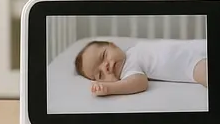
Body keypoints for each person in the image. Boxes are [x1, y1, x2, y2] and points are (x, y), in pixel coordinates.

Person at [74, 38, 208, 97]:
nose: (106, 67)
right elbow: (139, 82)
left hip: (194, 46)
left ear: (113, 45)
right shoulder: (128, 70)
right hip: (189, 64)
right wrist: (109, 88)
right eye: (100, 74)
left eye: (104, 56)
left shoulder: (132, 52)